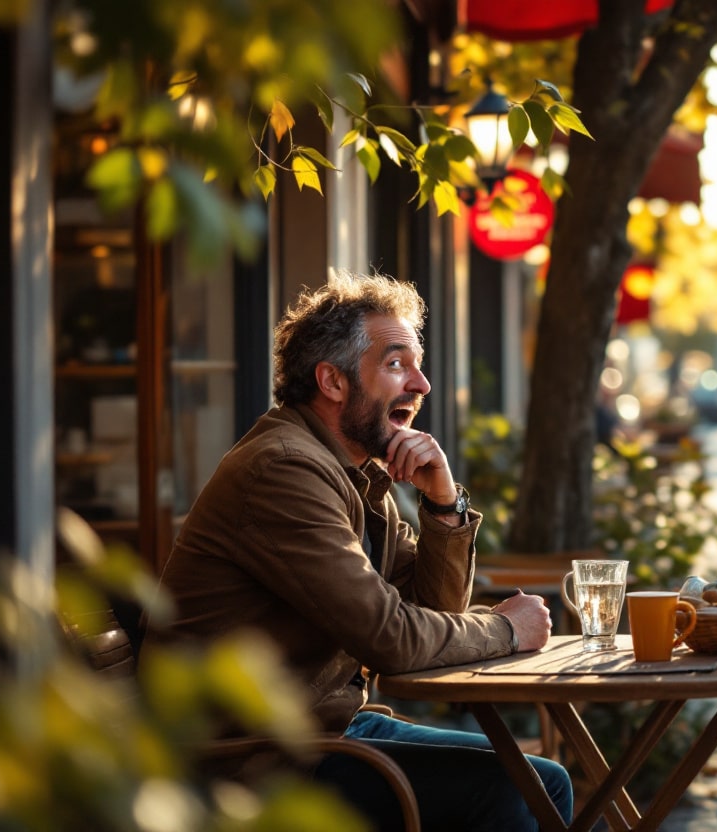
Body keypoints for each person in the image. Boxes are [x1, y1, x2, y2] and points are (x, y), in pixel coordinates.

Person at [148, 271, 573, 831]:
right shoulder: (285, 470)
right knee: (516, 789)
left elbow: (431, 613)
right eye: (397, 364)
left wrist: (443, 504)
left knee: (545, 779)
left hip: (326, 730)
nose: (420, 384)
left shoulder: (354, 473)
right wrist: (506, 630)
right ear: (333, 381)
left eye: (418, 364)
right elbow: (392, 638)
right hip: (253, 759)